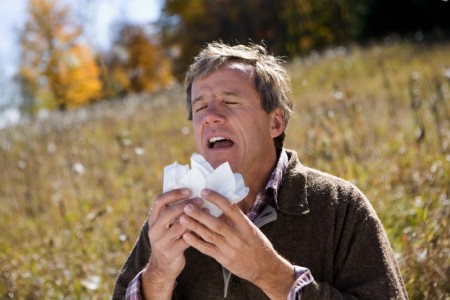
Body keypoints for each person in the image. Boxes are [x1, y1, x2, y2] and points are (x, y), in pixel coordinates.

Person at [113, 42, 408, 299]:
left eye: (230, 101)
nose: (211, 117)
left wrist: (271, 274)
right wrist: (159, 273)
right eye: (200, 107)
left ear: (275, 122)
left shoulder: (340, 206)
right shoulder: (172, 217)